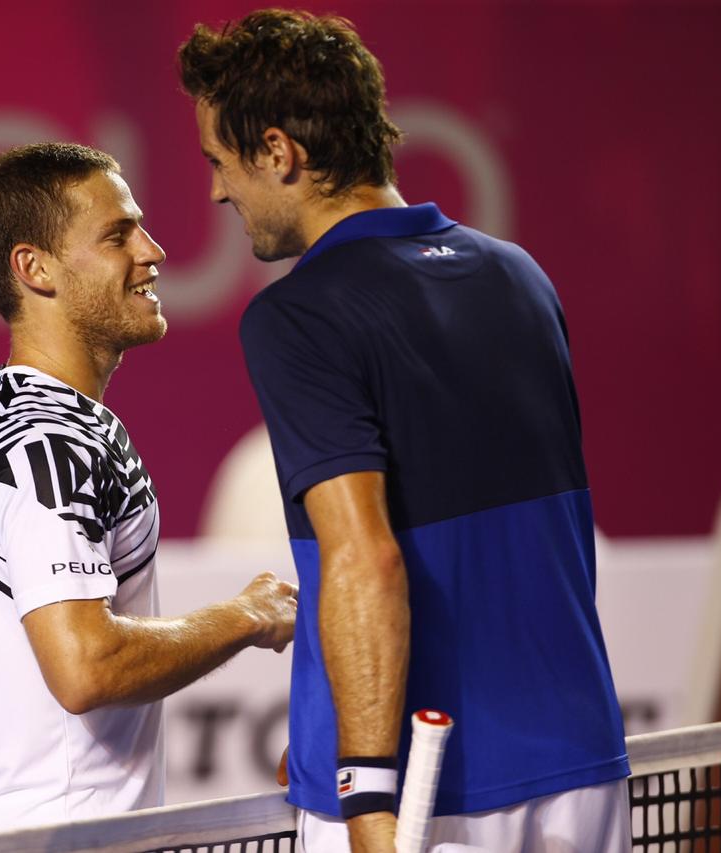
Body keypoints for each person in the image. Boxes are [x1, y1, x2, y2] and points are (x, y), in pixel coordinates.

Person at [178, 11, 630, 852]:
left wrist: (362, 785)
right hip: (582, 769)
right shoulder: (520, 276)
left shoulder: (298, 315)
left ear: (278, 151)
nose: (216, 192)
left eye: (218, 160)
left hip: (427, 791)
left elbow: (366, 558)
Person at [0, 142, 298, 837]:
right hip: (58, 840)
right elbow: (86, 665)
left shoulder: (26, 419)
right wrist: (247, 616)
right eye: (117, 235)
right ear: (34, 268)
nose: (153, 251)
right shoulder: (45, 442)